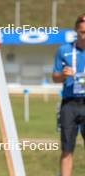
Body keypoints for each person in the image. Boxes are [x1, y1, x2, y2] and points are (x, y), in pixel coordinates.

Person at [52, 14, 85, 176]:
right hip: (70, 104)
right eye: (81, 32)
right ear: (76, 30)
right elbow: (54, 77)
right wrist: (63, 75)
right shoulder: (64, 50)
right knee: (66, 149)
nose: (83, 36)